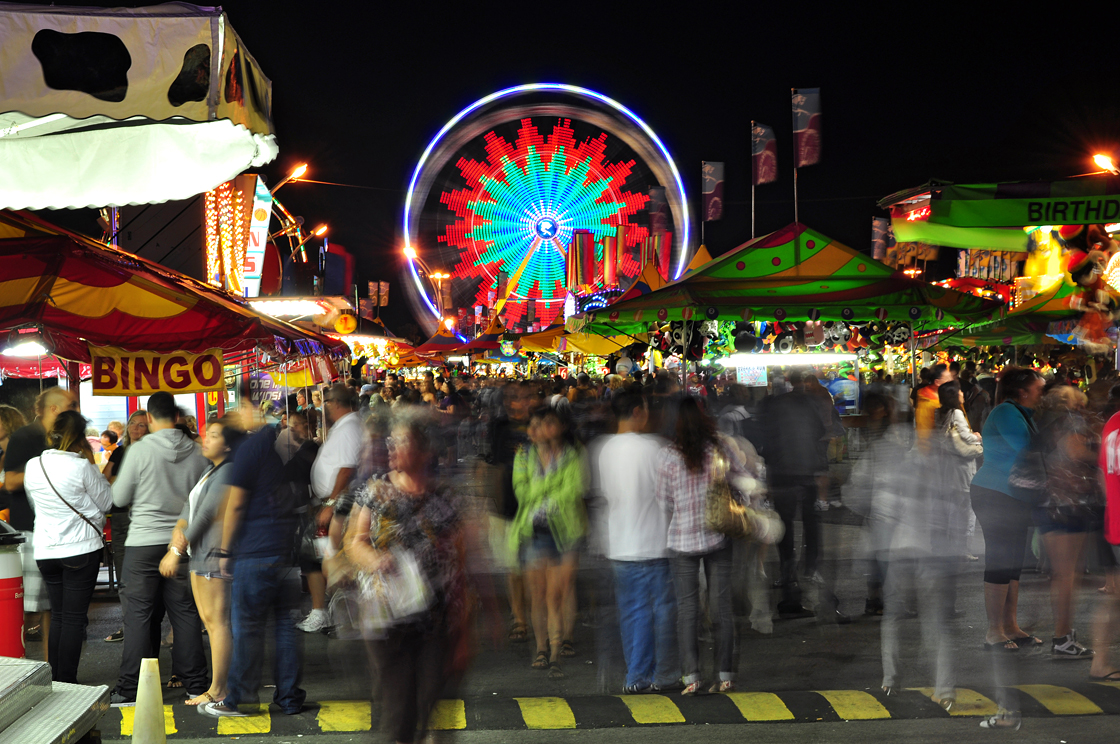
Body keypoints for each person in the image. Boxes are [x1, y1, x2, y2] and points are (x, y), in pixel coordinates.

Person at [346, 411, 469, 744]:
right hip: (387, 619)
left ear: (426, 451)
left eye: (402, 441)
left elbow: (463, 563)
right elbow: (353, 542)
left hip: (435, 618)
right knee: (399, 708)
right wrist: (373, 559)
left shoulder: (447, 499)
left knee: (432, 699)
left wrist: (467, 627)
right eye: (391, 441)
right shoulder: (376, 492)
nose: (392, 447)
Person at [199, 400, 305, 718]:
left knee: (248, 627)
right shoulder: (276, 445)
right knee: (285, 626)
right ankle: (288, 698)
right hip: (285, 548)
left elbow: (235, 505)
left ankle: (240, 699)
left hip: (255, 551)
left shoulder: (248, 449)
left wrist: (225, 551)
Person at [110, 392, 210, 704]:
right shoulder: (198, 453)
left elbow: (119, 498)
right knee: (185, 613)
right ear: (178, 417)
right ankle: (196, 684)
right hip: (182, 545)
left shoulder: (139, 451)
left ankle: (131, 690)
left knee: (138, 616)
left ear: (150, 418)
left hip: (142, 544)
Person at [969, 366, 1045, 730]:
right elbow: (1027, 448)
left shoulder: (1022, 413)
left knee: (1013, 561)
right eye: (1038, 387)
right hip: (995, 493)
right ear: (1022, 390)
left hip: (1013, 495)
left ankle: (1010, 625)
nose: (1041, 392)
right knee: (1000, 561)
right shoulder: (1006, 413)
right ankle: (992, 631)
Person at [596, 390, 678, 693]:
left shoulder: (605, 450)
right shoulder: (655, 449)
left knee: (632, 613)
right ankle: (659, 675)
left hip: (620, 543)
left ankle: (636, 675)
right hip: (655, 541)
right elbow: (668, 495)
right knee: (663, 614)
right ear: (636, 411)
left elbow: (608, 496)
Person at [22, 410, 112, 683]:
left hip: (46, 550)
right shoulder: (81, 465)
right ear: (79, 438)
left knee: (58, 616)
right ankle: (67, 680)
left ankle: (57, 680)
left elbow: (35, 505)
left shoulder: (33, 465)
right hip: (80, 549)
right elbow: (107, 502)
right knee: (73, 619)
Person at [655, 396, 737, 694]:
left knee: (688, 610)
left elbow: (663, 500)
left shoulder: (667, 456)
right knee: (721, 609)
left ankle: (691, 677)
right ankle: (726, 675)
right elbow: (739, 479)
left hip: (682, 539)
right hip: (719, 534)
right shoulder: (719, 448)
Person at [164, 417, 245, 705]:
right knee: (211, 623)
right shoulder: (211, 470)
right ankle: (217, 687)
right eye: (206, 434)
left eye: (213, 435)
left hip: (213, 555)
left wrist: (176, 549)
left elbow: (206, 514)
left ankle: (219, 689)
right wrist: (178, 532)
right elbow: (189, 508)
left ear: (227, 444)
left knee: (217, 624)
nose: (204, 439)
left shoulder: (229, 471)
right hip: (199, 554)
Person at [510, 406, 588, 680]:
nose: (538, 430)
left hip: (565, 532)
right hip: (534, 531)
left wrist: (540, 488)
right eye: (537, 425)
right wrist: (551, 485)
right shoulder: (523, 455)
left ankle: (555, 652)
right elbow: (521, 491)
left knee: (556, 595)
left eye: (545, 424)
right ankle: (541, 648)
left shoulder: (573, 454)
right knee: (537, 595)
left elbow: (574, 490)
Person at [3, 387, 79, 658]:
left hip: (60, 531)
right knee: (22, 603)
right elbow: (10, 481)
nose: (77, 410)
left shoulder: (67, 438)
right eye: (72, 405)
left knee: (53, 605)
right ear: (54, 409)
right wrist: (47, 472)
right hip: (30, 530)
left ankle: (51, 668)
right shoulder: (25, 436)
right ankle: (14, 664)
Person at [757, 370, 833, 620]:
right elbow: (821, 431)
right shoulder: (810, 403)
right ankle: (809, 569)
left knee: (786, 526)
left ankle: (788, 574)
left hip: (781, 473)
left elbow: (764, 437)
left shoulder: (773, 405)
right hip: (806, 470)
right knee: (811, 524)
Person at [1032, 385, 1098, 659]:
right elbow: (1076, 453)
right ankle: (1063, 636)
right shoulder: (1071, 421)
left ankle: (1063, 635)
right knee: (1069, 574)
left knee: (1062, 573)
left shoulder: (1042, 420)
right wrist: (1103, 456)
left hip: (1047, 500)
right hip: (1070, 502)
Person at [298, 383, 362, 633]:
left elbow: (347, 469)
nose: (323, 408)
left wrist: (330, 503)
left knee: (325, 559)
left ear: (334, 404)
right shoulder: (345, 426)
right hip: (332, 504)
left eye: (325, 403)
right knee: (323, 558)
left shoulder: (349, 428)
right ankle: (332, 613)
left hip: (338, 506)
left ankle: (329, 614)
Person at [101, 409, 149, 643]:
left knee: (150, 575)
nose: (135, 428)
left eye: (141, 425)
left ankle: (147, 626)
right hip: (120, 515)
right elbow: (105, 478)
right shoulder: (120, 452)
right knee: (124, 573)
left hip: (144, 516)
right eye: (133, 424)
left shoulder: (152, 451)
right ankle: (128, 624)